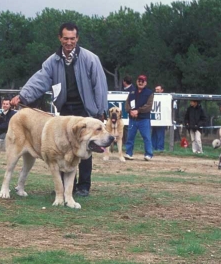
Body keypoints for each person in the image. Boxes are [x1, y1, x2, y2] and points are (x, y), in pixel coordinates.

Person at [10, 22, 107, 198]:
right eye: (65, 38)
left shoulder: (91, 59)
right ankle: (64, 187)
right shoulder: (52, 61)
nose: (69, 42)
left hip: (86, 109)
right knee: (64, 147)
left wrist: (100, 111)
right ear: (60, 38)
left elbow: (99, 85)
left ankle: (83, 186)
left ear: (77, 38)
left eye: (72, 38)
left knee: (86, 146)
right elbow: (39, 80)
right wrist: (23, 96)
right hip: (65, 110)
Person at [125, 75, 154, 160]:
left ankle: (148, 154)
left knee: (146, 137)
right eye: (139, 81)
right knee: (130, 137)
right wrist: (130, 111)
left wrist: (138, 111)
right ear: (137, 81)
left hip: (144, 119)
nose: (140, 82)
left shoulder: (149, 93)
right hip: (132, 119)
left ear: (145, 83)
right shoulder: (132, 92)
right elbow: (127, 104)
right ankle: (128, 153)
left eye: (142, 81)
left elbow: (149, 106)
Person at [151, 84, 166, 153]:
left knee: (160, 134)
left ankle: (160, 148)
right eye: (156, 89)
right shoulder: (153, 97)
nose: (156, 91)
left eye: (158, 89)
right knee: (154, 134)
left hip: (161, 119)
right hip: (154, 118)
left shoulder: (165, 98)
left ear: (162, 90)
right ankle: (153, 147)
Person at [121, 75, 135, 147]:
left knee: (126, 127)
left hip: (129, 110)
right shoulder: (123, 89)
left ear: (124, 82)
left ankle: (126, 142)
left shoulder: (133, 90)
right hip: (122, 109)